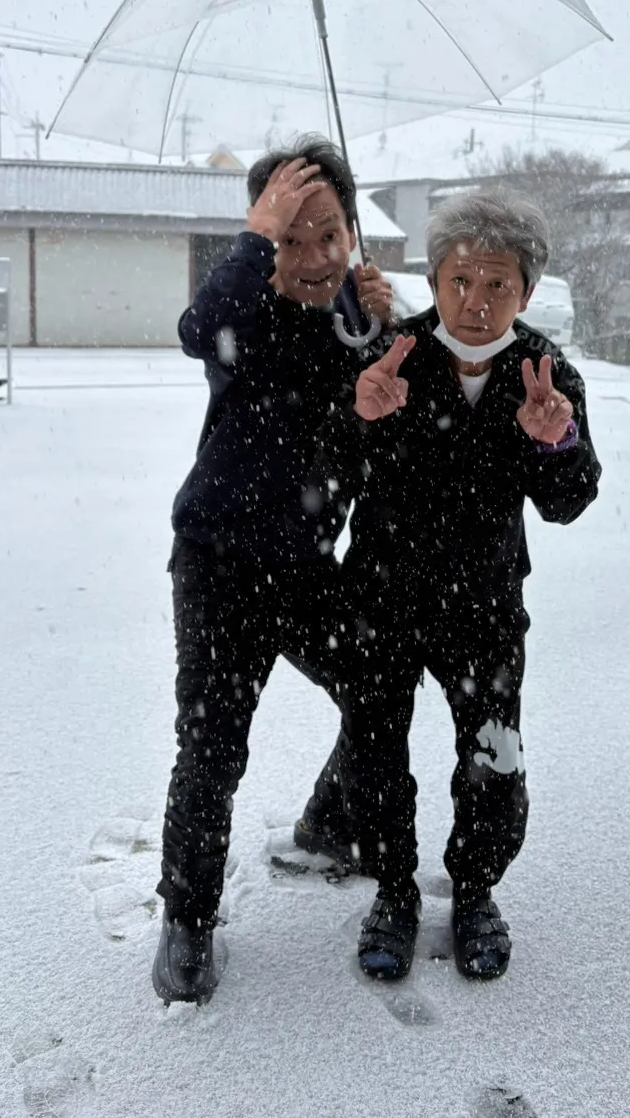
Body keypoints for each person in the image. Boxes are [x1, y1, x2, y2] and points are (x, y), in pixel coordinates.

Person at [306, 190, 601, 983]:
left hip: (486, 608)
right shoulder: (390, 355)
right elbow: (326, 479)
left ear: (527, 292)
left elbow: (570, 500)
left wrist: (556, 439)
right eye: (460, 279)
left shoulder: (545, 374)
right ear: (434, 278)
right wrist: (356, 416)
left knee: (493, 762)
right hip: (380, 603)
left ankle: (475, 891)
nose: (476, 300)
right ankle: (393, 892)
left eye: (498, 284)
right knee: (373, 756)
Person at [152, 136, 393, 1005]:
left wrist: (383, 336)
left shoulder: (357, 323)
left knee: (378, 682)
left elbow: (378, 432)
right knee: (212, 747)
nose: (314, 256)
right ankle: (187, 916)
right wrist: (255, 241)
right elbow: (195, 329)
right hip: (219, 564)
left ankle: (330, 822)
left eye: (330, 233)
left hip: (302, 568)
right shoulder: (241, 312)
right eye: (290, 237)